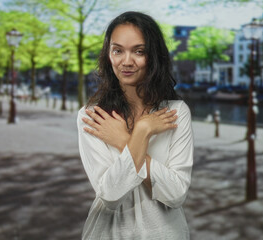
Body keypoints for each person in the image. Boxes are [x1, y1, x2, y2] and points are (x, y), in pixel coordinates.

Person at [77, 11, 194, 239]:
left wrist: (125, 140)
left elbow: (176, 194)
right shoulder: (92, 116)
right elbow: (110, 195)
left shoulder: (176, 113)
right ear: (108, 54)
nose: (127, 61)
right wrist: (141, 133)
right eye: (118, 50)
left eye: (139, 51)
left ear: (153, 56)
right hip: (109, 233)